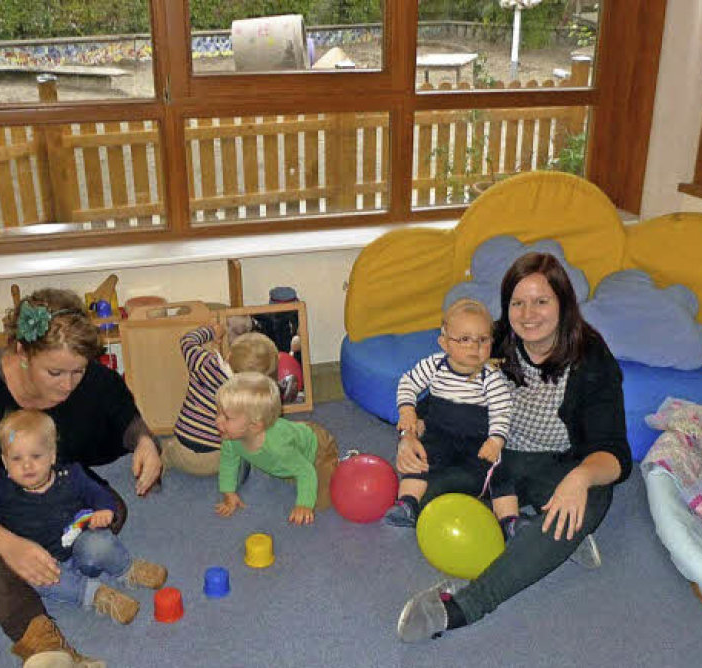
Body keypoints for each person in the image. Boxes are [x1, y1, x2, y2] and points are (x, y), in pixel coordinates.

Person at [0, 288, 163, 668]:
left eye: (78, 371)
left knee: (113, 512)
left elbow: (119, 407)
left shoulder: (79, 374)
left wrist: (145, 443)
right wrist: (9, 545)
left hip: (39, 473)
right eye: (55, 372)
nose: (68, 384)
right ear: (22, 354)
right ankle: (42, 644)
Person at [394, 252, 633, 642]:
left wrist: (581, 477)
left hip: (556, 467)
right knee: (417, 490)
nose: (528, 314)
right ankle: (546, 538)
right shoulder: (494, 340)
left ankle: (465, 606)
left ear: (563, 303)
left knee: (590, 498)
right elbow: (444, 394)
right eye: (517, 302)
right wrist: (409, 436)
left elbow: (615, 453)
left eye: (541, 301)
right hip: (491, 461)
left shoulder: (591, 359)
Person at [0, 409, 167, 627]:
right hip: (44, 560)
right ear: (4, 461)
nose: (27, 465)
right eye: (16, 458)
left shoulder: (71, 475)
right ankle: (96, 595)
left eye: (36, 456)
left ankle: (126, 569)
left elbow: (97, 493)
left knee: (101, 543)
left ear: (52, 455)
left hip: (81, 543)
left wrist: (104, 509)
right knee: (37, 579)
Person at [383, 299, 514, 533]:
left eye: (482, 339)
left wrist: (496, 440)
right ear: (444, 343)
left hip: (477, 441)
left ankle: (510, 520)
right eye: (464, 339)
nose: (474, 346)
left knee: (500, 473)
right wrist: (407, 410)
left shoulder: (491, 376)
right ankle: (407, 504)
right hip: (438, 433)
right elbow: (408, 382)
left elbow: (501, 410)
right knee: (419, 461)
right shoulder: (434, 365)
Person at [213, 372, 339, 526]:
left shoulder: (277, 447)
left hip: (319, 448)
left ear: (255, 426)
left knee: (323, 501)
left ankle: (337, 462)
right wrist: (228, 492)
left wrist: (304, 505)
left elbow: (306, 471)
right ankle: (293, 449)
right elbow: (228, 462)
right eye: (218, 412)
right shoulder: (230, 438)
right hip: (290, 440)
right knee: (287, 470)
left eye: (226, 417)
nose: (217, 421)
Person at [165, 323, 279, 477]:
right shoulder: (247, 396)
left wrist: (212, 332)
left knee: (166, 448)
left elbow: (186, 341)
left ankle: (161, 464)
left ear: (229, 355)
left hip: (180, 451)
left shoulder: (203, 363)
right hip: (216, 460)